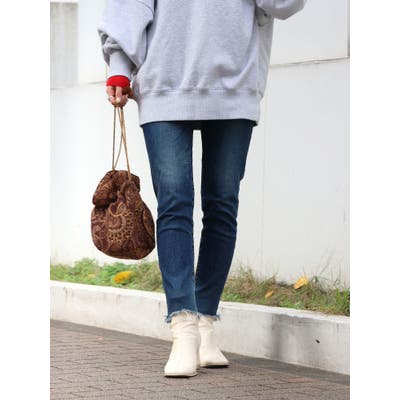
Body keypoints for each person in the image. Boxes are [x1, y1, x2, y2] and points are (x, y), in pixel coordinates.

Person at [97, 0, 307, 378]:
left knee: (222, 205)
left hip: (235, 82)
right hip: (164, 81)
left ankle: (206, 321)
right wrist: (119, 67)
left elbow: (283, 5)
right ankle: (184, 329)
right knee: (174, 203)